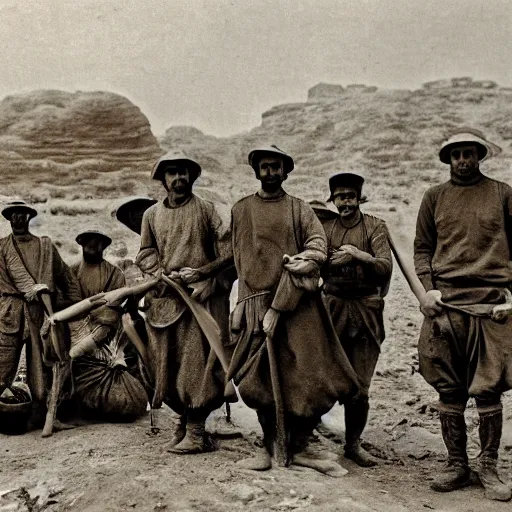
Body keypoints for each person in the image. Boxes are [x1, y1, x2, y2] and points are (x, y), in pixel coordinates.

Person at [228, 145, 359, 475]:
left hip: (298, 306)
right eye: (264, 166)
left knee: (306, 377)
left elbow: (318, 245)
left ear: (285, 171)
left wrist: (306, 259)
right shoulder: (241, 209)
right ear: (256, 171)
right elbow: (232, 256)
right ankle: (270, 447)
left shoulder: (299, 209)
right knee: (256, 381)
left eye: (276, 166)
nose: (270, 172)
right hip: (254, 304)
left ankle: (300, 446)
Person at [414, 129, 512, 501]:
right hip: (446, 306)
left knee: (488, 389)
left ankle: (488, 465)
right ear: (448, 159)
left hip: (491, 307)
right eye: (457, 155)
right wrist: (427, 292)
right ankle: (457, 464)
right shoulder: (434, 197)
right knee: (449, 387)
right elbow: (422, 249)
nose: (463, 161)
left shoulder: (502, 193)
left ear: (479, 156)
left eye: (470, 154)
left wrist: (510, 296)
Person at [136, 150, 234, 454]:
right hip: (166, 301)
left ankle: (196, 430)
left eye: (183, 172)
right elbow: (145, 253)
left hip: (199, 303)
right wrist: (160, 273)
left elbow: (229, 253)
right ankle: (183, 423)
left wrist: (207, 277)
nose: (178, 178)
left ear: (191, 176)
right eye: (172, 173)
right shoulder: (151, 215)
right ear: (163, 179)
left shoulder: (206, 210)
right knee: (168, 364)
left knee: (197, 365)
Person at [317, 173, 392, 467]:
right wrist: (328, 260)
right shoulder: (327, 228)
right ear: (333, 200)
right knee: (324, 376)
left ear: (359, 198)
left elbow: (384, 267)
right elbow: (318, 261)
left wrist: (359, 256)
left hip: (365, 312)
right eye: (339, 197)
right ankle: (307, 436)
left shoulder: (375, 226)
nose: (345, 202)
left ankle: (353, 444)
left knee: (360, 385)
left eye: (350, 196)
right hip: (332, 310)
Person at [0, 200, 81, 430]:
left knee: (43, 369)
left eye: (22, 214)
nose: (18, 219)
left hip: (41, 315)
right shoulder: (1, 247)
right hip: (9, 314)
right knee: (2, 367)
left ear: (29, 217)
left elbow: (69, 283)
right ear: (8, 218)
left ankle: (43, 415)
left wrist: (57, 307)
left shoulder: (45, 247)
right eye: (14, 214)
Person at [69, 230, 126, 358]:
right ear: (82, 244)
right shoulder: (71, 271)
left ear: (104, 246)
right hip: (74, 325)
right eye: (89, 241)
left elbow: (117, 304)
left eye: (97, 242)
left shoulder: (115, 274)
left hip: (103, 326)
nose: (93, 244)